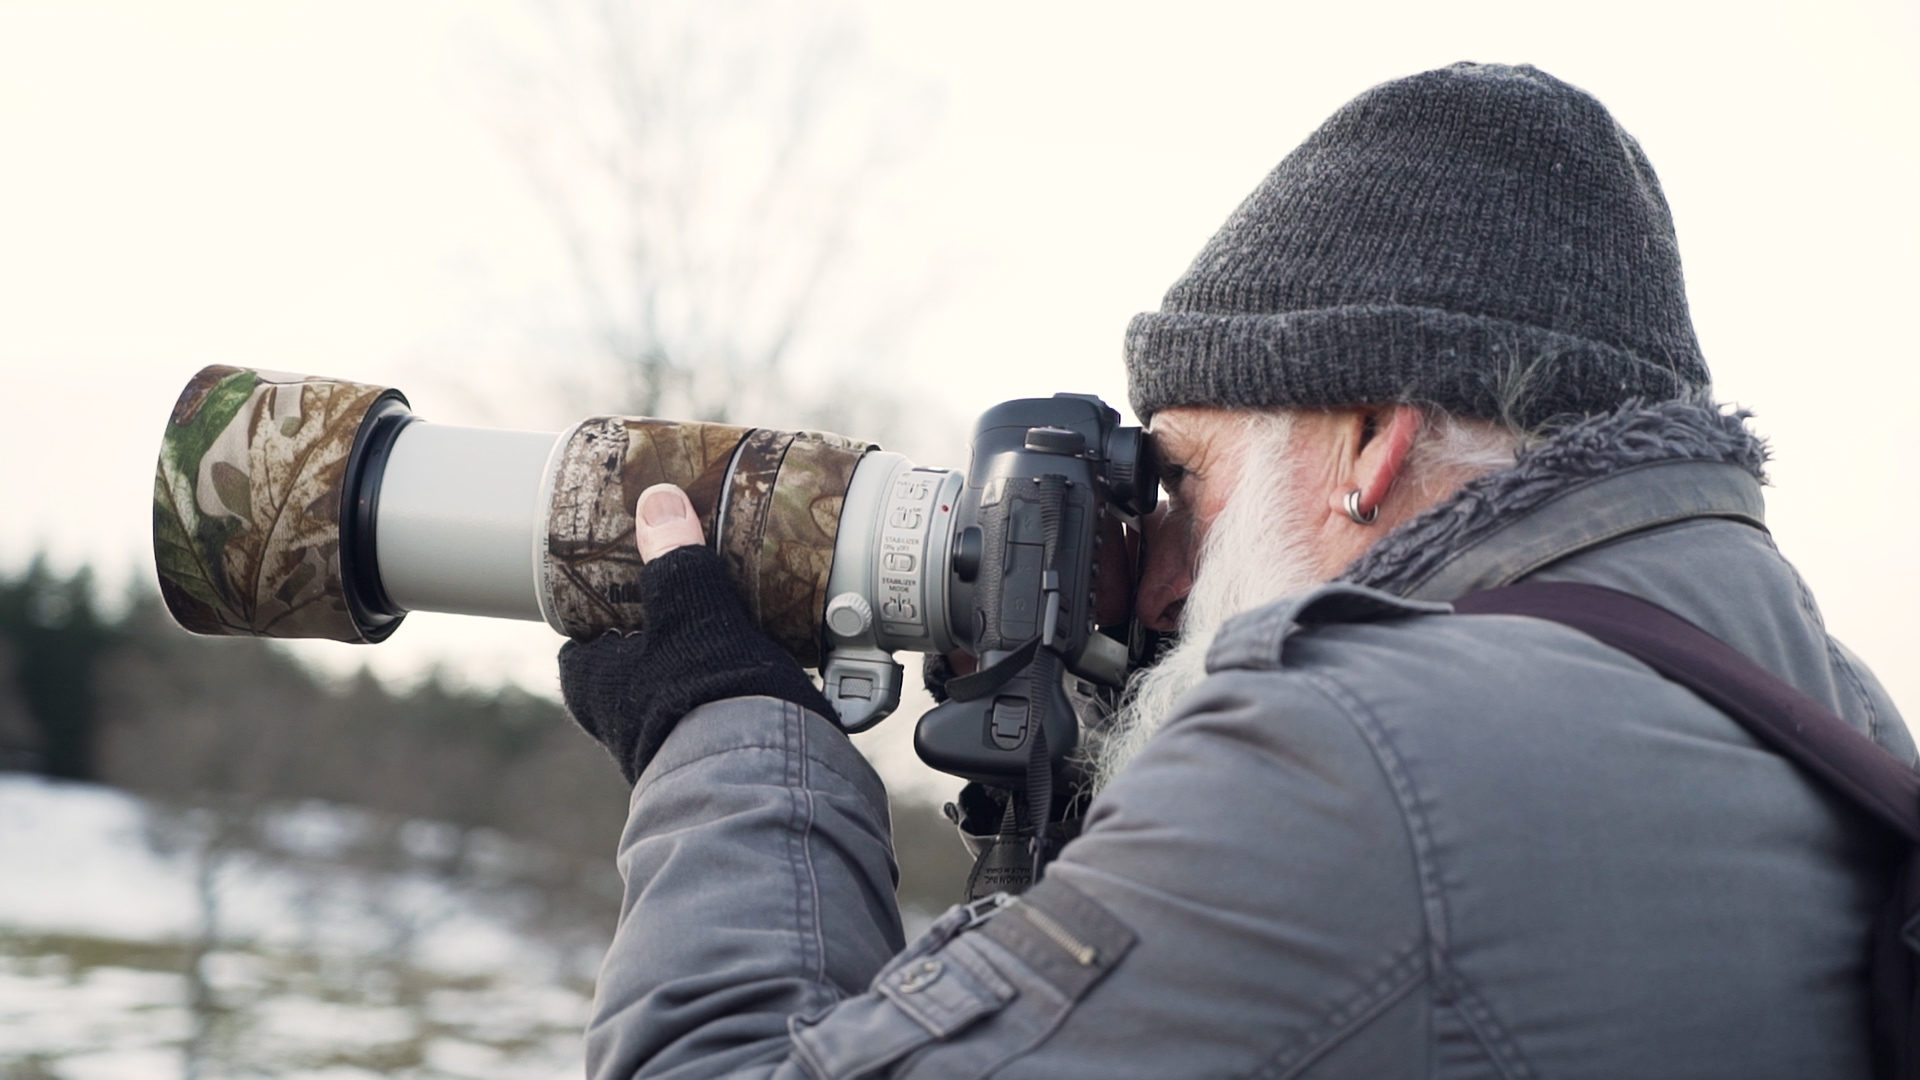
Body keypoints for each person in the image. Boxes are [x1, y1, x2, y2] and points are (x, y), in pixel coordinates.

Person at [557, 62, 1915, 1078]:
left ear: (1367, 446)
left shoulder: (1366, 756)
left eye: (1184, 485)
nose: (1154, 587)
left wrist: (729, 739)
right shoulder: (1823, 718)